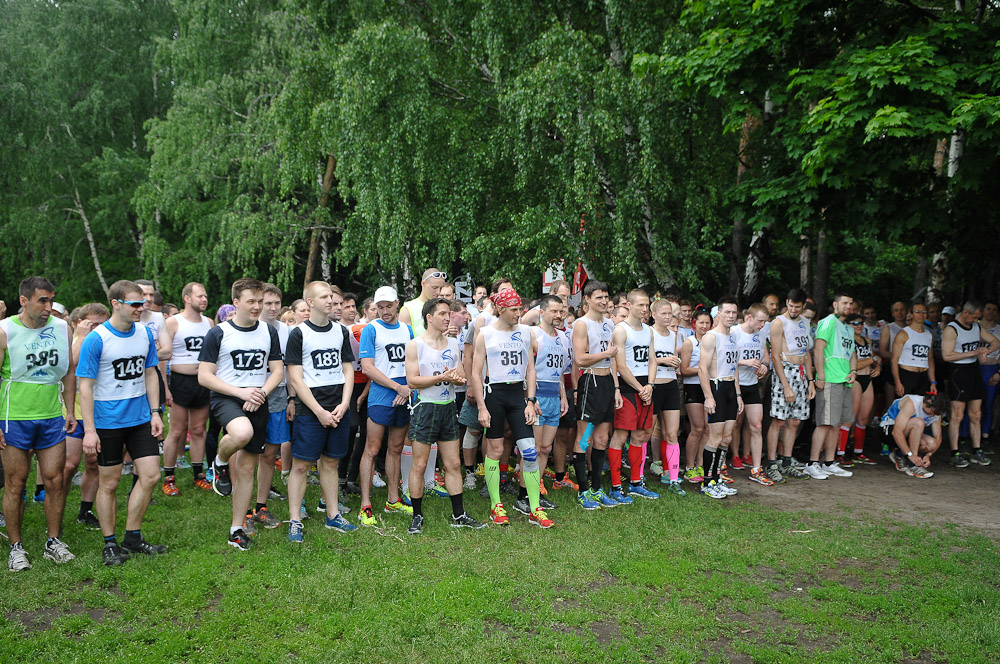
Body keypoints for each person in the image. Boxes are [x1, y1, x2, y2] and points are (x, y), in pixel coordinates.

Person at [77, 280, 167, 565]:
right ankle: (110, 543)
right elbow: (85, 386)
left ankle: (133, 536)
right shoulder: (97, 339)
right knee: (110, 483)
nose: (142, 308)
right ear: (116, 304)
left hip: (140, 417)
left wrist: (155, 412)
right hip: (108, 420)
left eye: (143, 303)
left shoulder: (144, 333)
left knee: (150, 475)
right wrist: (89, 430)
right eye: (135, 304)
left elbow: (150, 373)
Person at [198, 279, 284, 550]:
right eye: (251, 301)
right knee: (242, 432)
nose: (257, 307)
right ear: (236, 303)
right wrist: (240, 392)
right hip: (227, 397)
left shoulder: (268, 331)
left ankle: (236, 529)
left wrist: (261, 393)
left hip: (258, 399)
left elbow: (277, 371)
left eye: (260, 301)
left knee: (247, 469)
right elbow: (204, 376)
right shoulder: (218, 333)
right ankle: (220, 461)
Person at [1, 276, 77, 571]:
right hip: (14, 416)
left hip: (51, 415)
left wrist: (70, 410)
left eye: (51, 300)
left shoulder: (62, 327)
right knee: (15, 483)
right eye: (42, 300)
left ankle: (53, 541)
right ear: (24, 301)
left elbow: (68, 372)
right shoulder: (5, 330)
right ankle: (16, 547)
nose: (48, 307)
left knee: (55, 480)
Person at [471, 289, 552, 527]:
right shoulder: (485, 333)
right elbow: (475, 373)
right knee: (495, 450)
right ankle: (496, 506)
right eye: (514, 310)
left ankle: (535, 508)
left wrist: (531, 400)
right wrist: (482, 408)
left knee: (530, 451)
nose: (519, 313)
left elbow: (531, 369)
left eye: (520, 309)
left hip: (518, 394)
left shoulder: (526, 332)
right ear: (500, 309)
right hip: (494, 394)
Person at [284, 282, 358, 542]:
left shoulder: (340, 331)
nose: (330, 301)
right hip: (310, 409)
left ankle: (332, 514)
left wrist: (345, 403)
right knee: (301, 465)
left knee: (331, 462)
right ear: (310, 302)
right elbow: (296, 378)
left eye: (332, 297)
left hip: (338, 405)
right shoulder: (299, 334)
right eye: (324, 297)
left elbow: (348, 369)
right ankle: (294, 520)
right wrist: (318, 411)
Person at [404, 298, 485, 533]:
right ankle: (417, 515)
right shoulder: (415, 345)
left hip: (448, 406)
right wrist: (442, 377)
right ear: (429, 317)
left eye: (449, 313)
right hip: (426, 408)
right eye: (442, 314)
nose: (447, 318)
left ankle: (458, 514)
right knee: (420, 464)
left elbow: (459, 373)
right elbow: (412, 380)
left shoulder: (452, 343)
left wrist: (459, 379)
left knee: (453, 463)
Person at [357, 287, 414, 526]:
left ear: (397, 303)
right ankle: (365, 505)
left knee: (396, 447)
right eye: (380, 307)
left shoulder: (407, 329)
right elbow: (367, 367)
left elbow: (413, 362)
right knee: (372, 448)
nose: (384, 311)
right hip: (382, 395)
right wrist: (397, 387)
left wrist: (407, 388)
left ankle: (393, 499)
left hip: (404, 393)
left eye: (389, 306)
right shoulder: (371, 329)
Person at [159, 282, 214, 496]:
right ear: (187, 298)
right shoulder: (173, 322)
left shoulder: (209, 323)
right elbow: (163, 357)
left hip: (202, 381)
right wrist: (165, 387)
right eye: (200, 296)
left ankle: (198, 475)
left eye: (206, 295)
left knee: (198, 430)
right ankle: (169, 477)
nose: (204, 299)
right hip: (180, 381)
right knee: (177, 430)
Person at [569, 281, 621, 510]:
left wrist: (616, 388)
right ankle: (583, 491)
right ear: (587, 299)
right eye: (599, 297)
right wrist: (606, 353)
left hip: (607, 382)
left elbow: (614, 359)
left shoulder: (609, 323)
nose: (604, 301)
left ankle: (597, 488)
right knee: (585, 438)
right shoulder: (582, 324)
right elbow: (580, 359)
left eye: (606, 297)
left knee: (601, 439)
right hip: (590, 382)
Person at [250, 284, 293, 530]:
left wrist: (291, 398)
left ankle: (261, 505)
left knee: (269, 452)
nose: (273, 308)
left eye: (277, 303)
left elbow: (290, 367)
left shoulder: (286, 330)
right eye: (268, 303)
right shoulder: (248, 328)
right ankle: (240, 502)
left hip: (278, 393)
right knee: (245, 452)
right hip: (249, 392)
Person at [609, 290, 659, 501]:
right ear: (629, 305)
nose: (645, 309)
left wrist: (650, 385)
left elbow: (652, 360)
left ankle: (636, 483)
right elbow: (620, 365)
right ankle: (615, 486)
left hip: (645, 387)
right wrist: (640, 388)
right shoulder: (621, 330)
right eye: (640, 305)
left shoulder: (648, 330)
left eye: (647, 305)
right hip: (629, 388)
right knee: (621, 436)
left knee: (641, 435)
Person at [63, 303, 109, 529]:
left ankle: (85, 510)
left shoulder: (108, 340)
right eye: (93, 324)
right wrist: (81, 337)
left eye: (103, 324)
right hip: (72, 410)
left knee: (93, 463)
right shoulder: (72, 340)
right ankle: (56, 506)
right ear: (79, 323)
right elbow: (68, 366)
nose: (98, 329)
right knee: (69, 464)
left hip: (98, 410)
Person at [765, 289, 815, 483]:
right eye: (791, 306)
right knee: (779, 420)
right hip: (784, 371)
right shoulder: (779, 323)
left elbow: (806, 352)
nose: (794, 310)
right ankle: (771, 463)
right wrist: (785, 386)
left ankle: (787, 460)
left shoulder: (805, 322)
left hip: (801, 372)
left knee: (795, 421)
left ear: (803, 306)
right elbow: (775, 356)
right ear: (787, 303)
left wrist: (811, 381)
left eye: (797, 307)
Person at [941, 300, 1000, 467]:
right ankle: (954, 452)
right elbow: (947, 355)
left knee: (976, 414)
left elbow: (996, 342)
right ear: (966, 312)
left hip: (974, 370)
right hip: (958, 372)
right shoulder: (952, 329)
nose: (976, 320)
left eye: (978, 318)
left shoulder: (977, 327)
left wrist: (986, 351)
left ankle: (976, 450)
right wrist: (975, 352)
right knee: (957, 415)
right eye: (974, 317)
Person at [807, 293, 857, 480]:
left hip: (844, 380)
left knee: (836, 423)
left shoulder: (848, 328)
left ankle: (829, 462)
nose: (848, 306)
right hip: (830, 379)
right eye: (845, 303)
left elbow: (852, 353)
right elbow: (818, 349)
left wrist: (853, 371)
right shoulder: (828, 322)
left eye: (850, 303)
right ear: (835, 304)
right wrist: (820, 375)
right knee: (825, 422)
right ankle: (812, 463)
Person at [698, 296, 742, 499]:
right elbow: (702, 369)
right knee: (714, 438)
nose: (731, 316)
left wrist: (739, 394)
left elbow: (735, 367)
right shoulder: (711, 337)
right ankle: (707, 482)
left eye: (734, 312)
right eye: (727, 312)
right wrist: (708, 397)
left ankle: (717, 478)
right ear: (720, 313)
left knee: (727, 437)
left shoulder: (733, 336)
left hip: (731, 387)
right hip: (717, 387)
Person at [530, 295, 572, 505]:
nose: (558, 315)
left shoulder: (563, 337)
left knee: (546, 447)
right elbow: (526, 369)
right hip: (538, 395)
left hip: (554, 396)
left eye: (561, 311)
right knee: (535, 448)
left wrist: (563, 396)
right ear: (542, 312)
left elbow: (561, 371)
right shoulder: (533, 334)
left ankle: (537, 485)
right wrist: (530, 399)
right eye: (554, 311)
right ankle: (529, 489)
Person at [731, 303, 772, 486]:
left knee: (756, 426)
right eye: (760, 321)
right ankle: (721, 466)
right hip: (734, 384)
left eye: (765, 322)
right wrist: (745, 362)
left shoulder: (761, 334)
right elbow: (723, 358)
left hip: (752, 385)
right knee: (730, 426)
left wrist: (764, 366)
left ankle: (756, 469)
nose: (763, 325)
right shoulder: (734, 332)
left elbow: (765, 356)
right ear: (749, 317)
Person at [649, 299, 683, 495]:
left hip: (670, 385)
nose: (668, 317)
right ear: (654, 315)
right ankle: (639, 476)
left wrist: (675, 363)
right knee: (646, 432)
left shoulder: (673, 334)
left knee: (672, 433)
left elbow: (672, 359)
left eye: (670, 313)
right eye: (663, 313)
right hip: (654, 385)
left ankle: (673, 478)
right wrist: (663, 360)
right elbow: (644, 359)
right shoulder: (648, 333)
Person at [882, 393, 950, 478]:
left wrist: (928, 455)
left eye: (937, 413)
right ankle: (913, 465)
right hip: (888, 430)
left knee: (931, 444)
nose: (933, 415)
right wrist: (910, 455)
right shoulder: (912, 403)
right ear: (928, 402)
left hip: (906, 433)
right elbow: (896, 432)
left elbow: (938, 437)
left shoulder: (935, 412)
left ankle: (899, 454)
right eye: (934, 412)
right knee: (918, 423)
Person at [680, 308, 712, 484]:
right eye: (701, 323)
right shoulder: (690, 342)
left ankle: (701, 465)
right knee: (697, 427)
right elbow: (684, 369)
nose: (704, 326)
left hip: (709, 387)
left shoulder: (713, 341)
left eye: (707, 323)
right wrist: (702, 370)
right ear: (694, 324)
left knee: (707, 429)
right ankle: (689, 467)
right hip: (693, 387)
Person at [846, 314, 879, 465]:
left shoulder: (866, 340)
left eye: (861, 323)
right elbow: (854, 365)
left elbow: (875, 359)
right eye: (855, 323)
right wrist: (873, 360)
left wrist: (877, 366)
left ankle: (858, 451)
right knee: (850, 417)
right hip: (855, 379)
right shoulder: (848, 341)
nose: (859, 326)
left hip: (867, 378)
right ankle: (841, 452)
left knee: (864, 418)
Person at [890, 303, 936, 397]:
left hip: (923, 376)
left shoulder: (929, 335)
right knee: (904, 404)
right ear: (911, 314)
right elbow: (894, 359)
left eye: (924, 312)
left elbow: (930, 360)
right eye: (918, 312)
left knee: (922, 405)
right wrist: (897, 382)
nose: (921, 314)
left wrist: (933, 382)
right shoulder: (903, 334)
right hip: (906, 375)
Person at [399, 269, 447, 337]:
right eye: (434, 287)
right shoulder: (408, 309)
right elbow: (403, 339)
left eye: (441, 288)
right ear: (423, 283)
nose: (438, 292)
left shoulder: (444, 307)